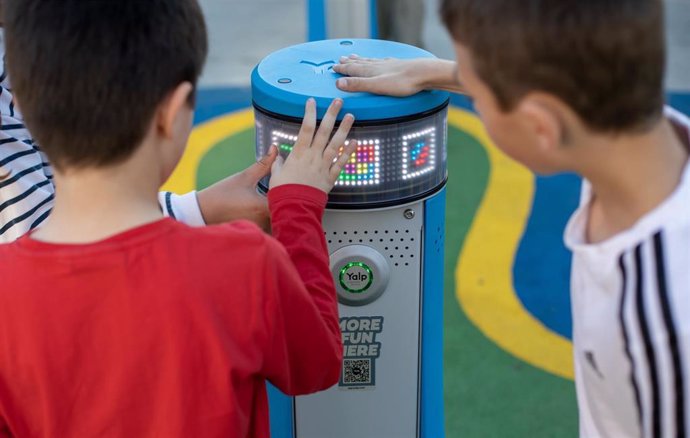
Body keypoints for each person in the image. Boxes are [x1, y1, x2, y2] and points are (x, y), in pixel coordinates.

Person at [0, 1, 356, 437]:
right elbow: (316, 365)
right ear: (174, 111)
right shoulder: (246, 264)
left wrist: (199, 209)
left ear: (21, 107)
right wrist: (297, 208)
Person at [334, 0, 690, 437]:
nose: (476, 103)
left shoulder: (657, 324)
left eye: (480, 97)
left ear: (542, 127)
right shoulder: (633, 139)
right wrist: (431, 72)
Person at [0, 0, 276, 242]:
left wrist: (197, 208)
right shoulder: (253, 263)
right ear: (171, 112)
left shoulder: (27, 44)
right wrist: (298, 221)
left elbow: (61, 239)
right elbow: (52, 255)